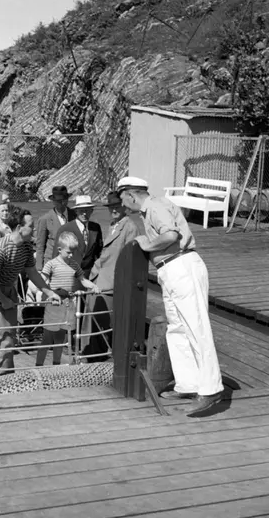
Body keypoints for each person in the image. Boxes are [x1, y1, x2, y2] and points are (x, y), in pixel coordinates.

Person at [117, 176, 224, 416]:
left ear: (131, 195)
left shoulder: (155, 206)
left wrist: (147, 245)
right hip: (171, 269)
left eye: (122, 198)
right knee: (177, 328)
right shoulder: (151, 209)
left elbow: (170, 236)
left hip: (181, 265)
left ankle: (210, 389)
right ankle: (189, 384)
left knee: (196, 326)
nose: (122, 205)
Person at [0, 206, 62, 381]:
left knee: (7, 338)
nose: (34, 229)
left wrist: (49, 292)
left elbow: (32, 273)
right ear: (19, 228)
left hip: (7, 289)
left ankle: (6, 380)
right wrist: (4, 300)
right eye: (31, 226)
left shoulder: (27, 247)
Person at [84, 191, 140, 359]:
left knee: (102, 322)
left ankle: (98, 357)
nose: (113, 210)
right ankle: (90, 354)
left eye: (117, 206)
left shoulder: (130, 227)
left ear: (124, 207)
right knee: (92, 320)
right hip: (98, 277)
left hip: (111, 282)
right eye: (111, 207)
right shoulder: (113, 224)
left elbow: (130, 259)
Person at [36, 232, 99, 367]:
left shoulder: (74, 265)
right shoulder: (51, 264)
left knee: (60, 338)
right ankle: (39, 365)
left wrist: (93, 286)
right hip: (54, 303)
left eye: (73, 252)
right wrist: (45, 294)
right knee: (47, 338)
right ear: (60, 249)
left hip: (68, 303)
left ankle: (56, 365)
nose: (71, 255)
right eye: (68, 252)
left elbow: (83, 280)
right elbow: (42, 281)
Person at [54, 195, 103, 278]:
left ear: (91, 211)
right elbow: (56, 255)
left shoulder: (96, 228)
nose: (84, 214)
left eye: (87, 210)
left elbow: (99, 251)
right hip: (69, 274)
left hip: (90, 275)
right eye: (81, 210)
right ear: (76, 211)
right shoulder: (65, 229)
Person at [35, 185, 73, 271]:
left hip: (72, 263)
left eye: (63, 200)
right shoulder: (45, 219)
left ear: (67, 200)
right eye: (58, 201)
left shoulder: (75, 216)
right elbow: (40, 246)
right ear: (53, 202)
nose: (61, 203)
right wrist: (39, 268)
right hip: (51, 263)